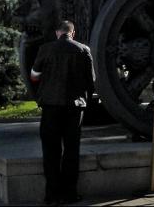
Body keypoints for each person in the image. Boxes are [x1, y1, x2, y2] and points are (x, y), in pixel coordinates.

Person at [29, 20, 95, 206]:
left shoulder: (45, 49)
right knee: (71, 150)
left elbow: (34, 75)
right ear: (72, 33)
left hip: (50, 105)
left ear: (58, 32)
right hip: (74, 107)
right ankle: (70, 194)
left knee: (50, 150)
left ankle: (51, 195)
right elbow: (91, 81)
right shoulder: (83, 50)